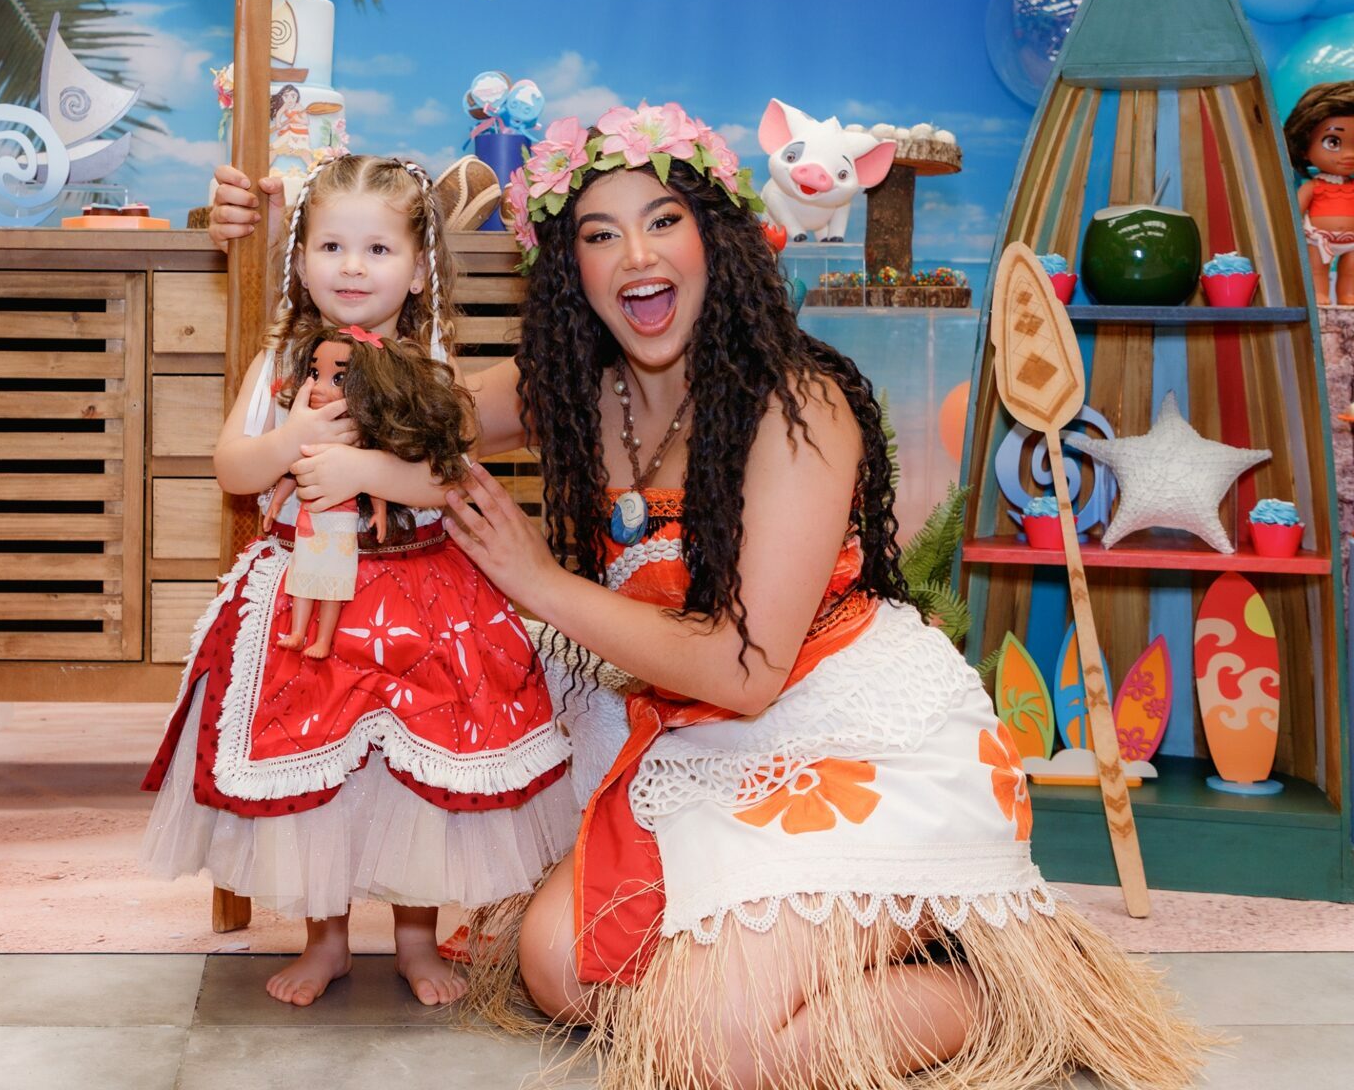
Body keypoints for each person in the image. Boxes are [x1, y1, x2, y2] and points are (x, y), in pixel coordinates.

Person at [206, 103, 1204, 1089]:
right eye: (600, 235)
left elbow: (745, 672)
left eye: (663, 221)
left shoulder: (797, 407)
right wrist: (268, 234)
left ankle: (997, 987)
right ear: (571, 270)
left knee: (717, 1043)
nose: (636, 254)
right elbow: (404, 411)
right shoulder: (579, 384)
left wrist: (540, 581)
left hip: (835, 734)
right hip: (681, 735)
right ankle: (843, 950)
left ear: (715, 240)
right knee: (560, 969)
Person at [141, 154, 576, 1009]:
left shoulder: (429, 369)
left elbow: (447, 479)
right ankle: (326, 939)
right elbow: (233, 467)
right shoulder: (281, 364)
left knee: (416, 776)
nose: (351, 266)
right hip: (307, 596)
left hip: (418, 592)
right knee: (322, 773)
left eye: (377, 249)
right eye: (331, 246)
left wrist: (363, 469)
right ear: (301, 259)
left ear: (417, 270)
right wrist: (290, 440)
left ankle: (415, 939)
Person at [1284, 81, 1354, 306]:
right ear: (1304, 147)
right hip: (1318, 239)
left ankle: (1348, 296)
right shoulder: (1313, 187)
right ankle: (1319, 294)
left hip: (1352, 241)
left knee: (1351, 271)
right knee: (1316, 269)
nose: (1349, 154)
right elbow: (1293, 213)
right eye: (1333, 142)